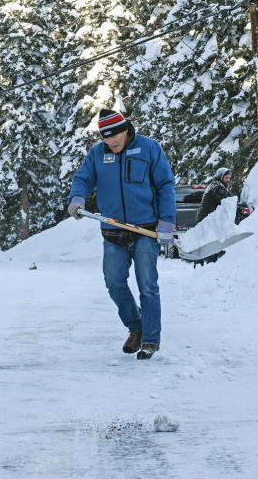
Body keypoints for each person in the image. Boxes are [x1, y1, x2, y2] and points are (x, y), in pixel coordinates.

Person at [67, 108, 176, 360]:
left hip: (145, 230)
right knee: (114, 283)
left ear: (126, 129)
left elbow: (165, 185)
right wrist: (77, 197)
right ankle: (135, 327)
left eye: (115, 135)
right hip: (112, 231)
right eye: (106, 137)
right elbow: (83, 178)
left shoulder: (149, 148)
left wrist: (167, 223)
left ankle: (150, 339)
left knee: (147, 286)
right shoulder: (97, 154)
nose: (111, 141)